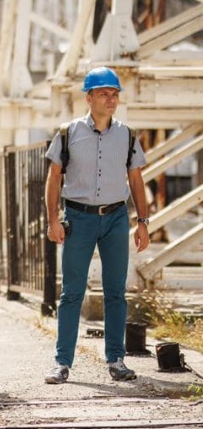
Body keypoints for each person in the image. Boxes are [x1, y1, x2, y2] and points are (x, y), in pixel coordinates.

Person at [43, 67, 148, 385]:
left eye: (114, 94)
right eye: (104, 93)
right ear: (88, 98)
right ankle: (62, 363)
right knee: (72, 293)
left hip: (116, 217)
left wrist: (142, 222)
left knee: (116, 292)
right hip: (78, 217)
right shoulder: (68, 132)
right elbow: (53, 177)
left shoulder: (127, 135)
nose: (111, 98)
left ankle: (116, 360)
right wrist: (52, 219)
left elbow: (136, 180)